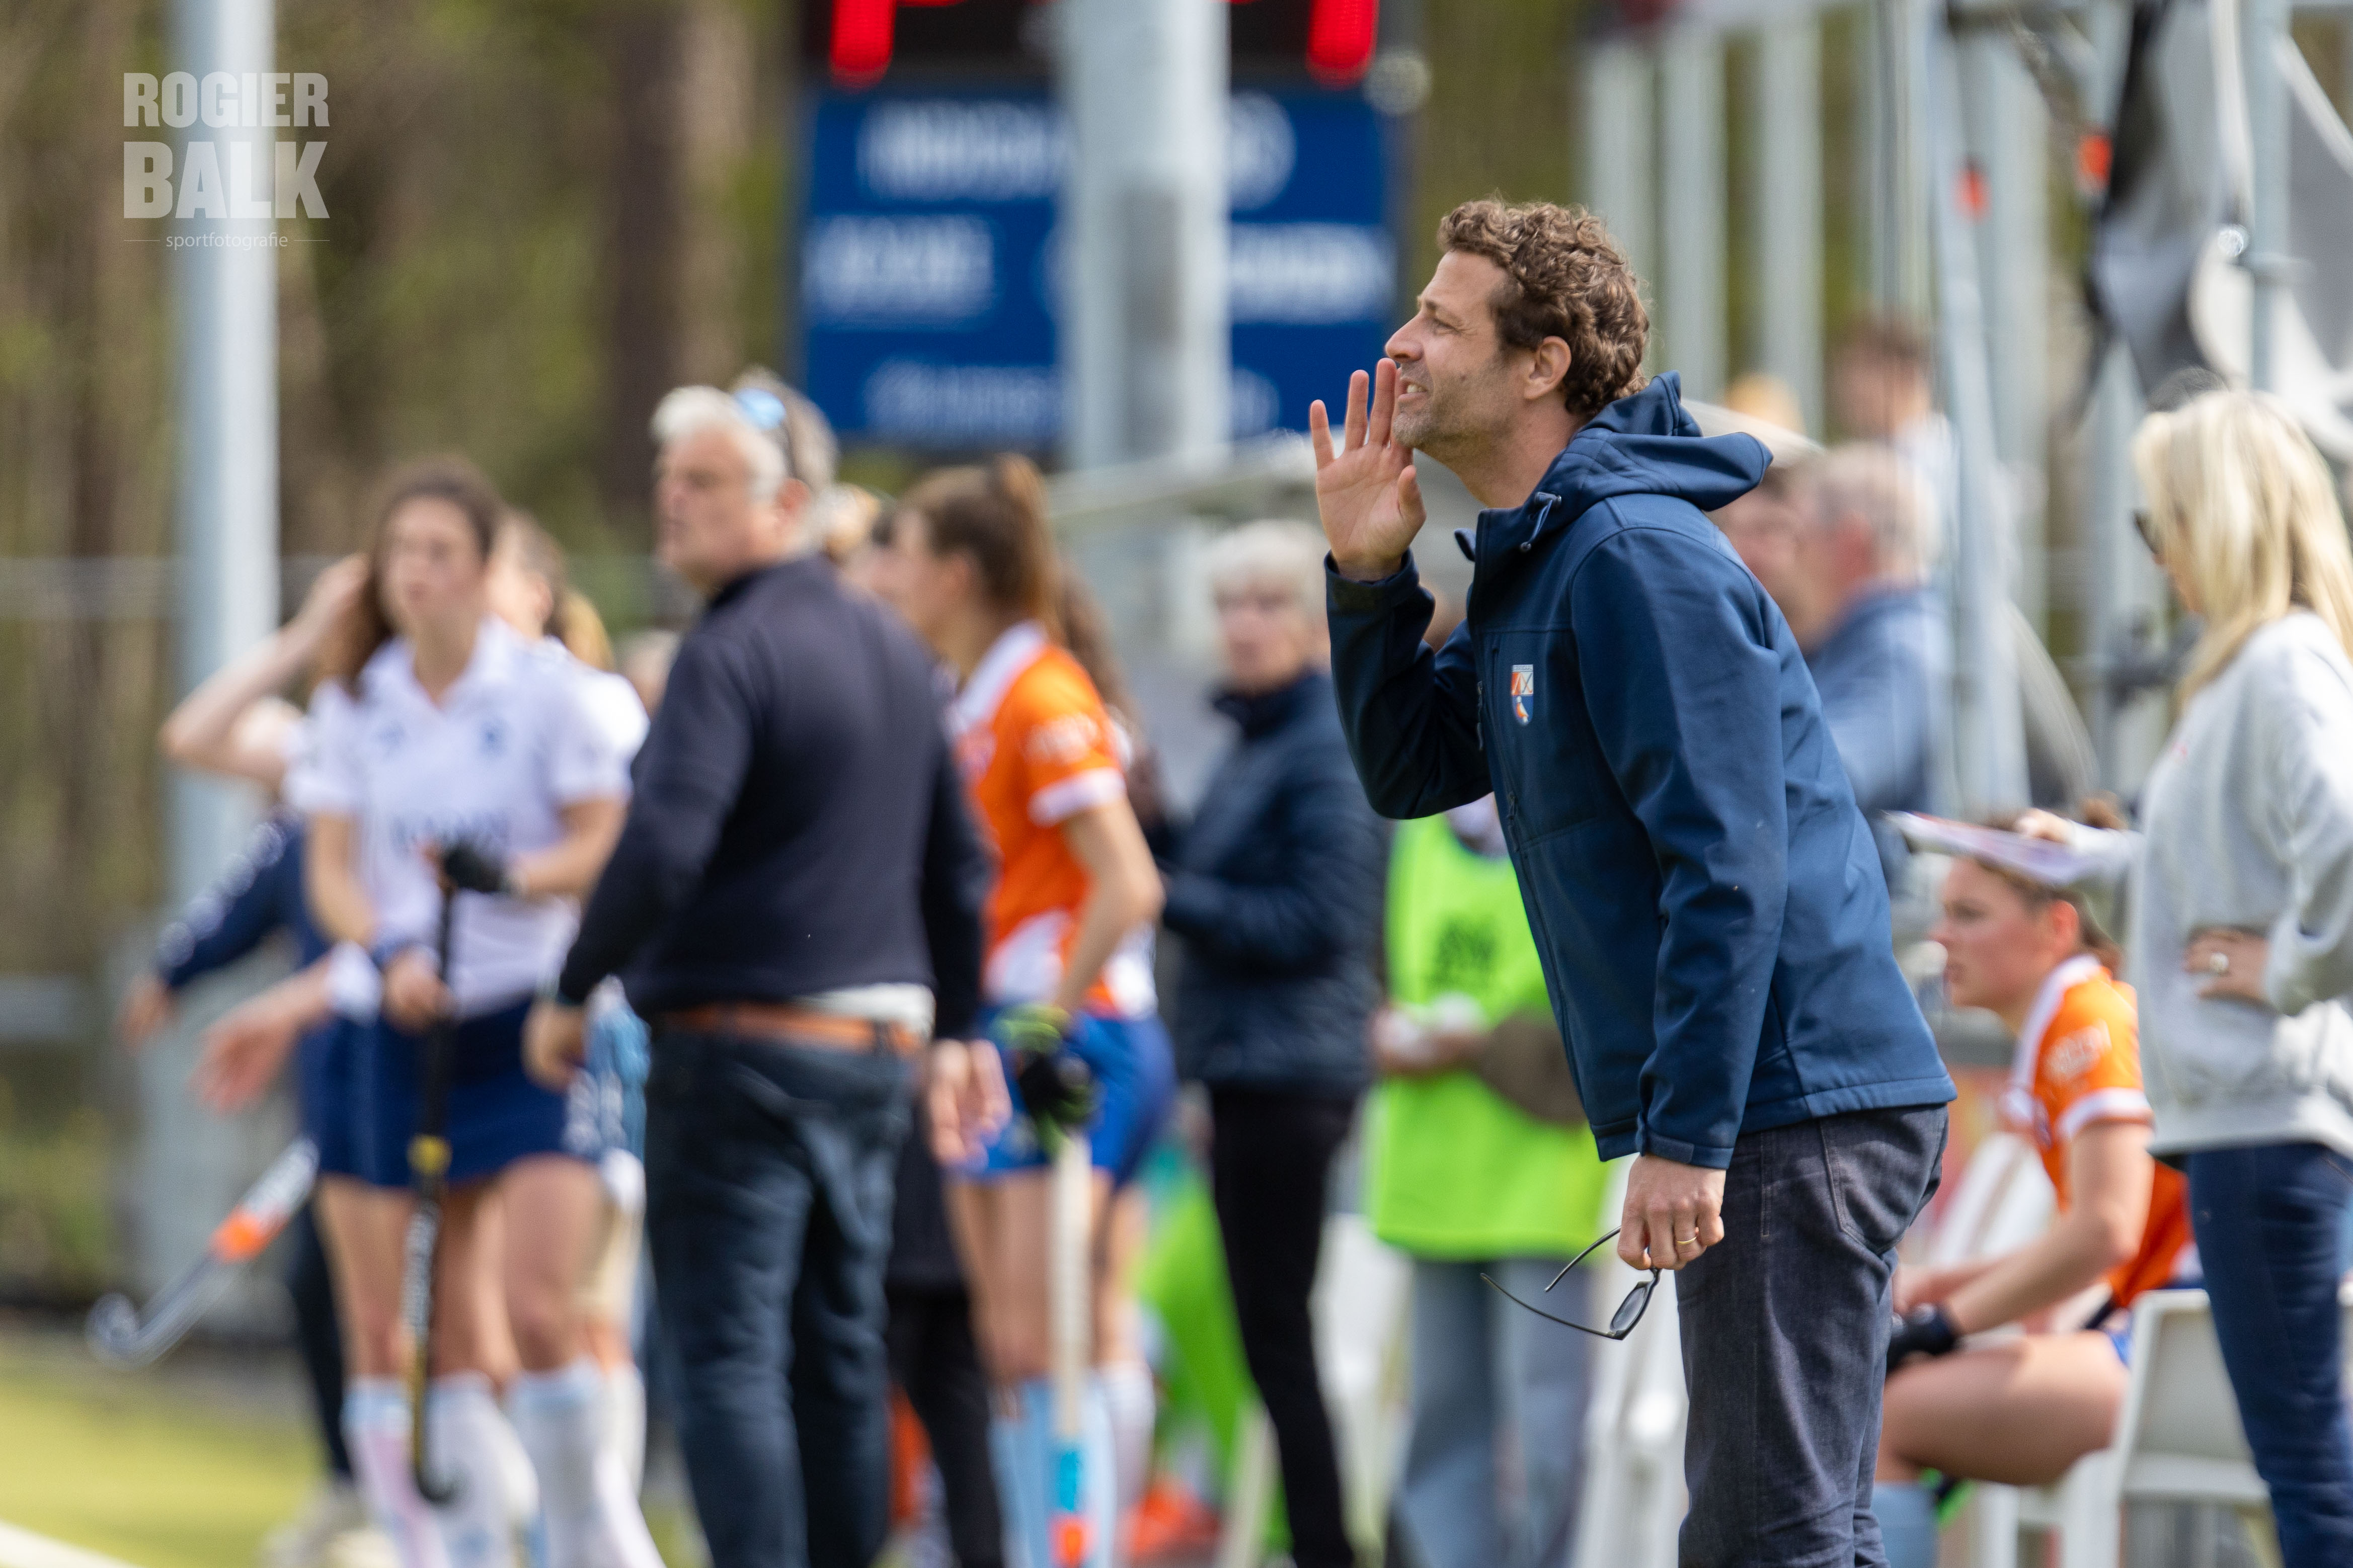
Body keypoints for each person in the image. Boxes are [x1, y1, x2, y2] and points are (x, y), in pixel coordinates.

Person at [1312, 196, 1955, 1567]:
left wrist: (1688, 1132)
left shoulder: (1629, 555)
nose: (1401, 342)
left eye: (1439, 320)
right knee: (1774, 1531)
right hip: (1768, 1102)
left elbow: (1729, 862)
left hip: (1792, 1098)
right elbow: (1412, 768)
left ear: (1539, 365)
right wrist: (1367, 575)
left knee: (1770, 1534)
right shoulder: (1547, 552)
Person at [520, 378, 1002, 1568]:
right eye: (666, 478)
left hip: (742, 1053)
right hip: (873, 1051)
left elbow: (664, 842)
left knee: (729, 1351)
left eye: (704, 481)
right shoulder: (893, 648)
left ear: (787, 504)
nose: (671, 501)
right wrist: (955, 1024)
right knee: (837, 1351)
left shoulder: (729, 647)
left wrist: (573, 985)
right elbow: (963, 862)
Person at [287, 456, 658, 1568]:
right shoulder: (358, 702)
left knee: (546, 1310)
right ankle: (474, 1550)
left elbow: (607, 843)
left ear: (490, 566)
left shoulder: (551, 693)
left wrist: (516, 876)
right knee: (446, 1331)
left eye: (442, 552)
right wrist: (388, 950)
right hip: (417, 1031)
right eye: (400, 552)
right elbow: (332, 871)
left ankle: (593, 1537)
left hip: (536, 1027)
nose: (418, 574)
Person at [2026, 390, 2353, 1567]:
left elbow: (2344, 845)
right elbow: (2213, 878)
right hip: (2249, 1117)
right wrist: (2089, 862)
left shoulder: (2277, 664)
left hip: (2262, 1116)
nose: (2155, 553)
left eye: (2157, 521)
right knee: (2300, 1466)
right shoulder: (2251, 668)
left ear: (2215, 518)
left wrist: (2293, 968)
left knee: (2305, 1471)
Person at [869, 456, 1171, 1568]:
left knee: (1055, 1334)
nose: (887, 576)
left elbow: (1129, 882)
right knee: (1009, 1339)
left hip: (1069, 1032)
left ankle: (1081, 1548)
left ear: (955, 572)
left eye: (902, 555)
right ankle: (1048, 1544)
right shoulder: (968, 696)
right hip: (999, 1029)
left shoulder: (1040, 692)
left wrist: (1045, 1014)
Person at [1157, 520, 1384, 1568]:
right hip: (1248, 1066)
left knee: (1281, 1341)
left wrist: (1165, 893)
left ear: (1312, 620)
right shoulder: (1257, 738)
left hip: (1291, 1070)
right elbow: (1226, 879)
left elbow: (1318, 917)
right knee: (1269, 1340)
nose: (1243, 626)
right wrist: (1151, 828)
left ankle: (1328, 1545)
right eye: (1228, 605)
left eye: (1267, 603)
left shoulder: (1323, 740)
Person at [1870, 846, 2193, 1568]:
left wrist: (1943, 1325)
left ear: (2057, 926)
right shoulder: (2071, 1019)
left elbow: (2104, 1232)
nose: (1941, 936)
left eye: (1970, 914)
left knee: (1881, 1419)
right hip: (2164, 1339)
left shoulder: (2087, 1020)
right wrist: (1938, 1292)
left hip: (2185, 1350)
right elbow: (2097, 1236)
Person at [1364, 791, 1609, 1568]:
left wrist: (1478, 1042)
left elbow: (1606, 1013)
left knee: (1548, 1427)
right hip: (1433, 1179)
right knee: (1442, 1420)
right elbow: (1371, 971)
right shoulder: (1413, 839)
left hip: (1544, 1188)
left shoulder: (1580, 825)